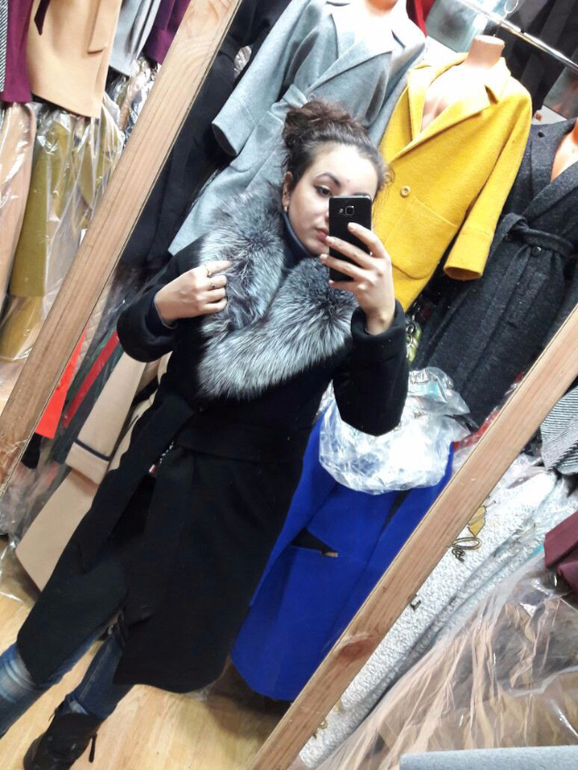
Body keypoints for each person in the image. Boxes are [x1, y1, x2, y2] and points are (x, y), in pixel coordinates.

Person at [0, 100, 408, 768]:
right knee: (40, 648)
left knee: (137, 655)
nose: (331, 211)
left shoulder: (356, 303)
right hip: (152, 482)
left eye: (352, 202)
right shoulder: (220, 248)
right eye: (322, 188)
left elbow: (374, 416)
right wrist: (164, 306)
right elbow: (136, 336)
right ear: (288, 186)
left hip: (235, 515)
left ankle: (59, 746)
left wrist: (382, 320)